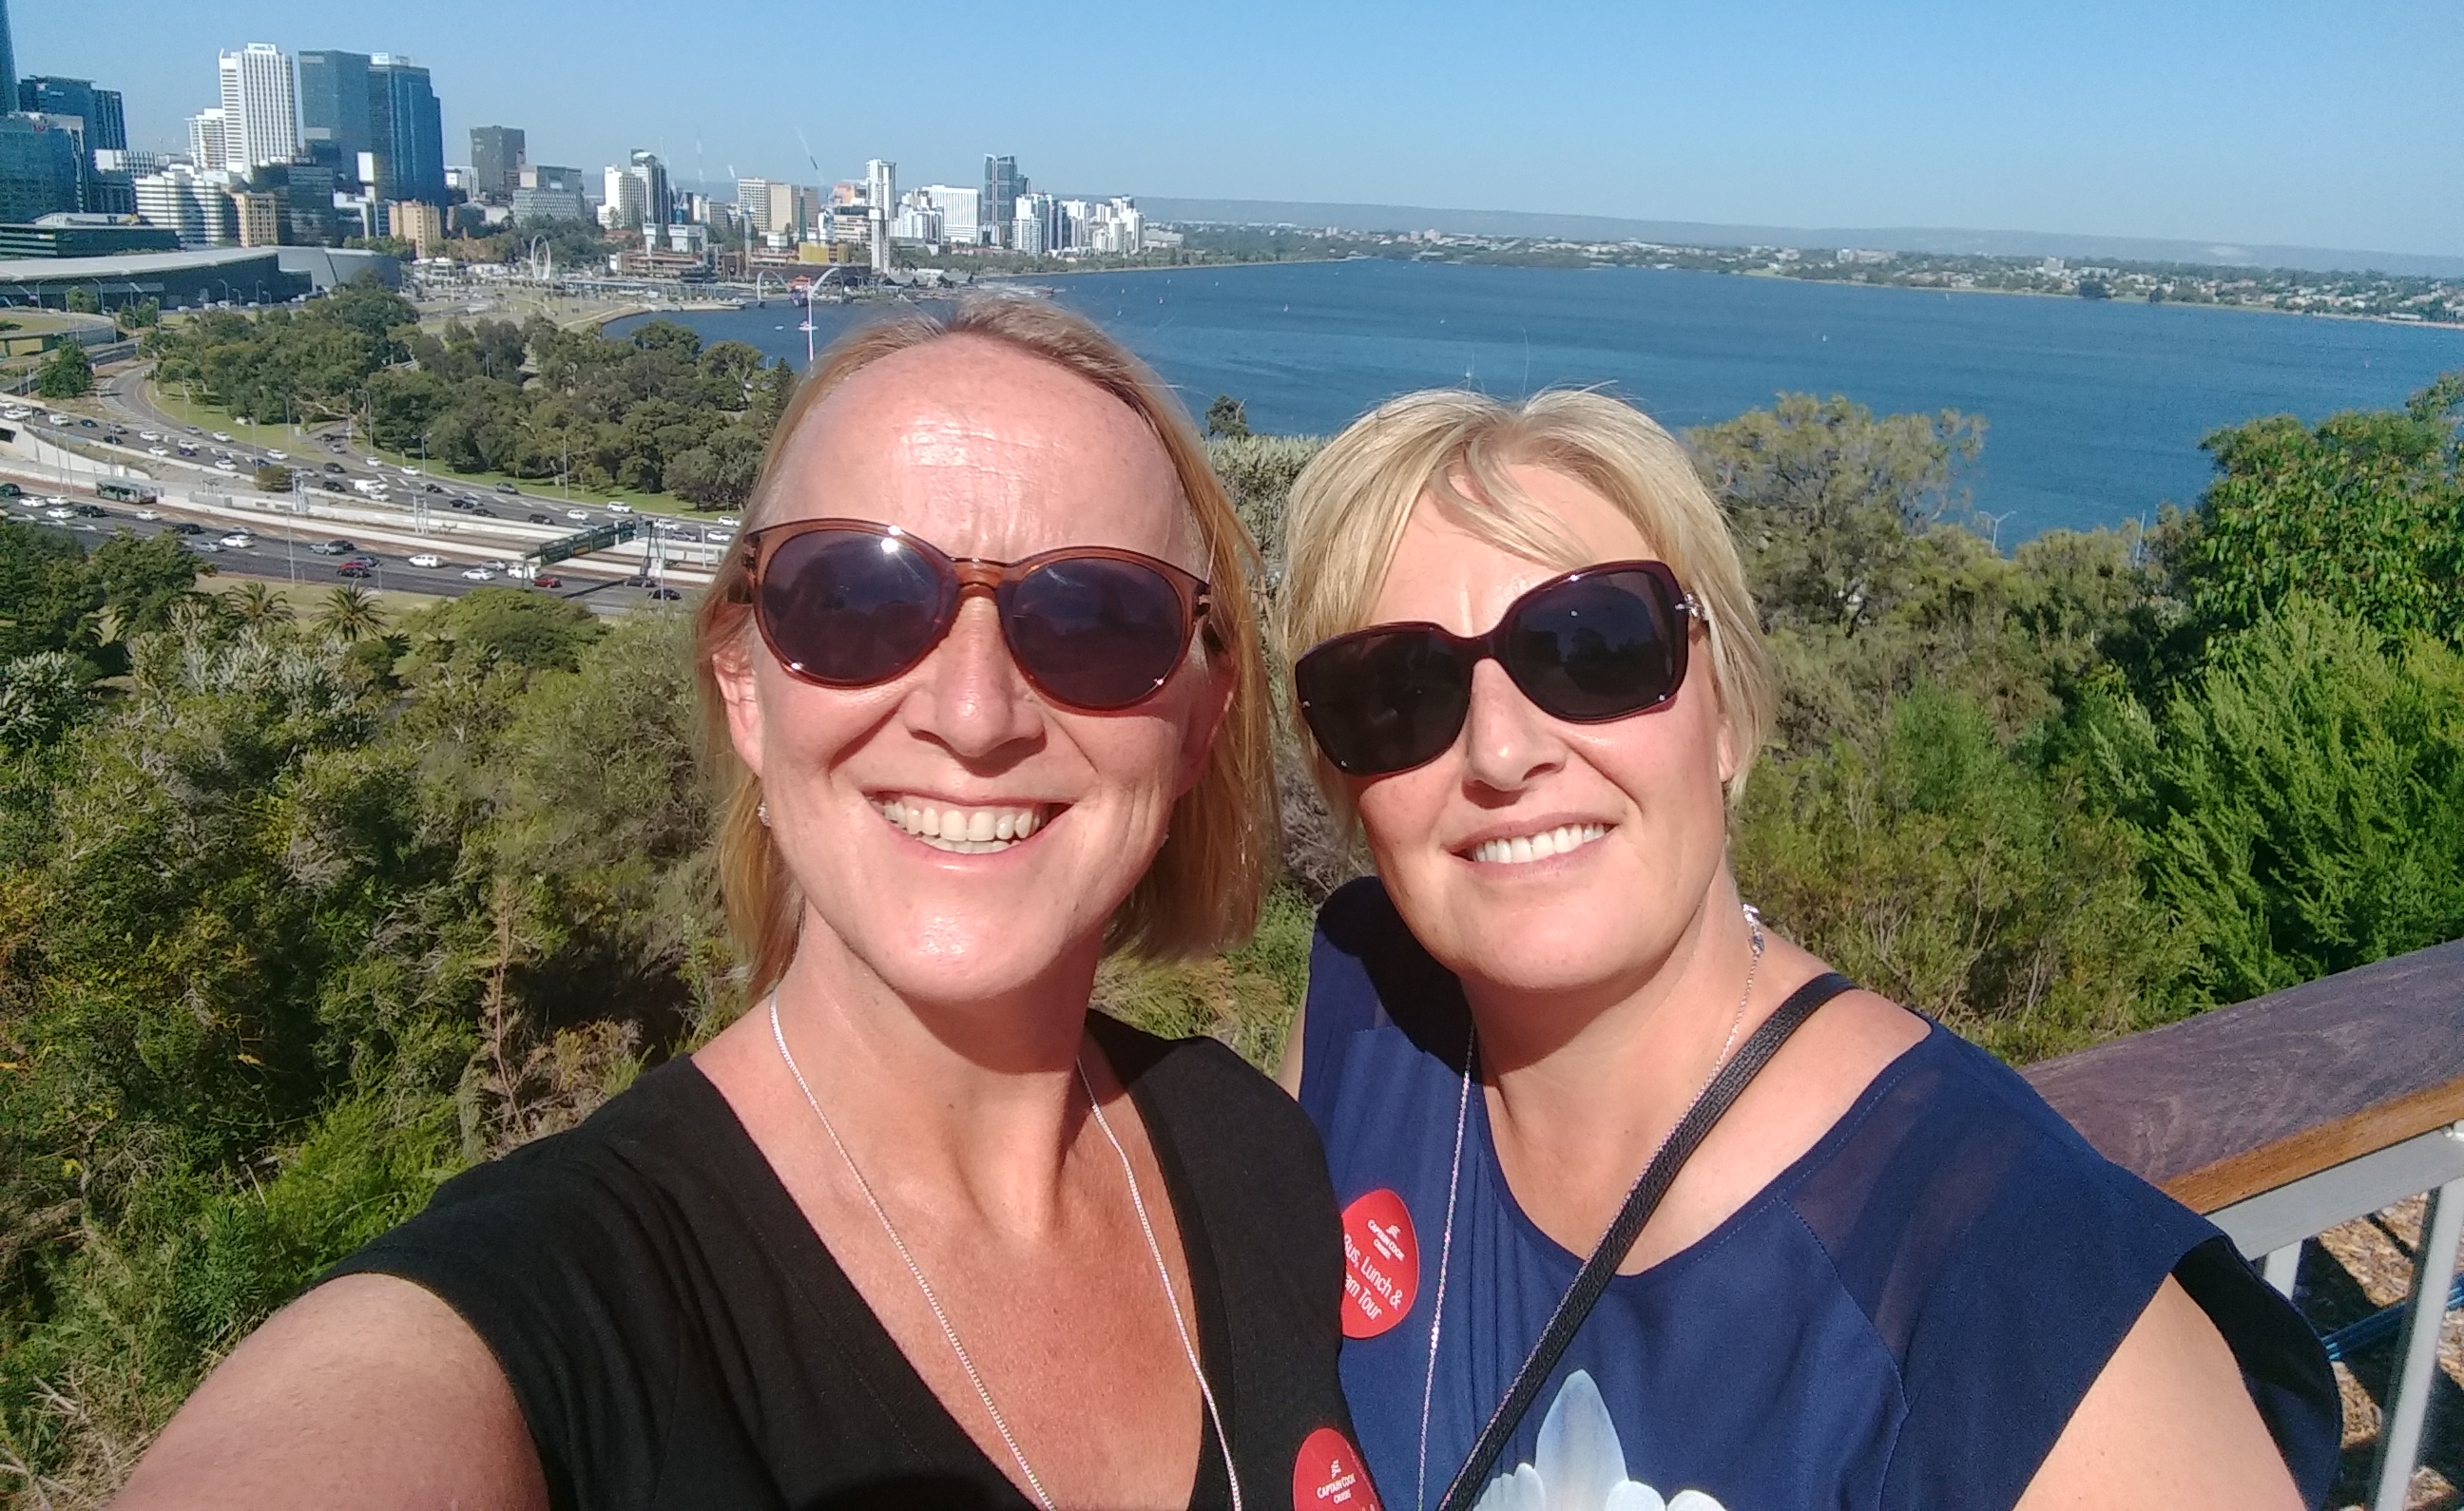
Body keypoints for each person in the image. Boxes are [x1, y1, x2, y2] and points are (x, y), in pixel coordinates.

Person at [119, 299, 1374, 1511]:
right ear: (742, 686)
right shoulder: (560, 1308)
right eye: (857, 600)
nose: (974, 713)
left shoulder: (1259, 1156)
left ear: (1198, 722)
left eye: (1097, 619)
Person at [1273, 388, 2339, 1511]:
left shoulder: (2014, 1290)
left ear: (1728, 711)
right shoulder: (1362, 1011)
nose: (1501, 750)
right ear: (1345, 777)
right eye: (1396, 691)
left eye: (1592, 647)